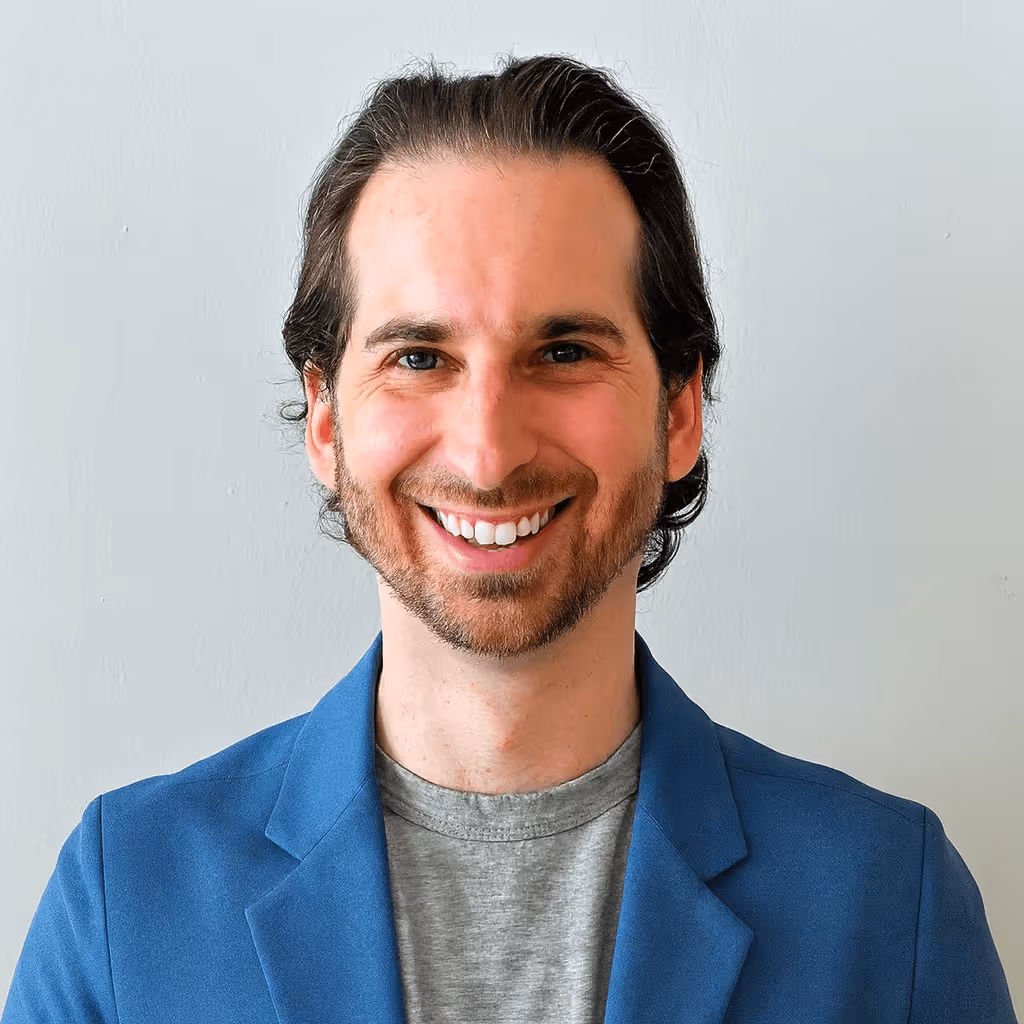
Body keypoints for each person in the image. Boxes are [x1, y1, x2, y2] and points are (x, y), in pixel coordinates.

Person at [3, 54, 1016, 1024]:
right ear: (325, 419)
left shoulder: (890, 902)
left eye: (564, 351)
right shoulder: (124, 903)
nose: (488, 454)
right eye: (418, 356)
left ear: (677, 412)